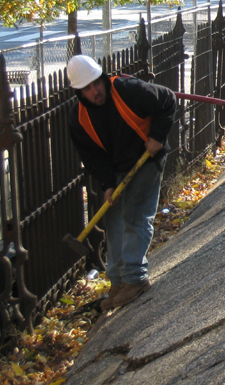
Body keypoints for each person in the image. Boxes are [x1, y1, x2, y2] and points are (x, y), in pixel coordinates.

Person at [66, 54, 176, 310]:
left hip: (146, 157)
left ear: (102, 79)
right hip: (116, 167)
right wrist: (107, 184)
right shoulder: (78, 118)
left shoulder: (127, 90)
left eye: (96, 84)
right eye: (87, 89)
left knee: (135, 215)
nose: (95, 91)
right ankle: (117, 282)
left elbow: (168, 99)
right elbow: (91, 155)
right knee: (113, 218)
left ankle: (135, 279)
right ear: (78, 92)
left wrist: (157, 137)